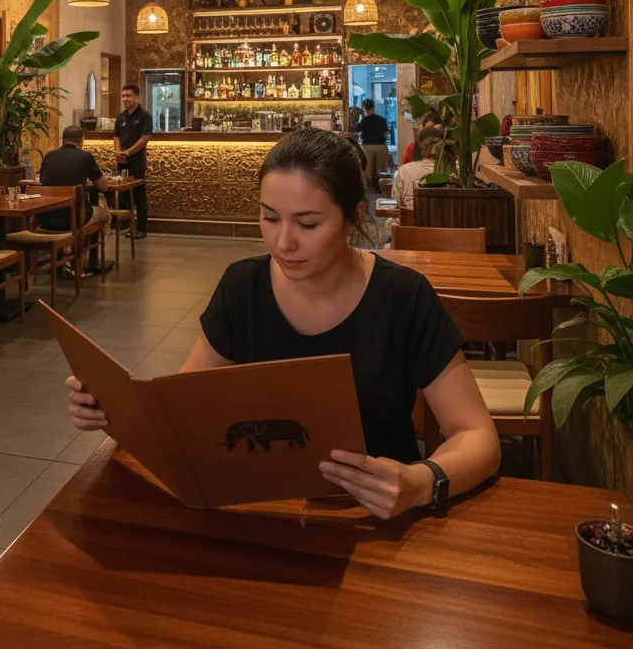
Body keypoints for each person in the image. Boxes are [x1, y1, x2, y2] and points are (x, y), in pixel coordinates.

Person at [66, 128, 501, 520]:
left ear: (354, 218)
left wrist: (420, 483)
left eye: (308, 224)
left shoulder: (402, 296)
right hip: (260, 513)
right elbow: (183, 406)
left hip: (373, 519)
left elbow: (478, 436)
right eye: (269, 218)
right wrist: (116, 410)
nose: (283, 242)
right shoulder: (243, 285)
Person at [39, 125, 111, 273]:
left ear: (63, 139)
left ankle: (64, 258)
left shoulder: (48, 156)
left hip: (45, 218)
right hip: (74, 219)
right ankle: (83, 261)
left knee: (75, 208)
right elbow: (103, 187)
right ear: (82, 140)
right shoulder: (85, 156)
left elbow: (42, 182)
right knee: (104, 213)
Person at [113, 84, 152, 239]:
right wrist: (119, 152)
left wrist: (128, 152)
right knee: (123, 194)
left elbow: (145, 138)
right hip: (122, 160)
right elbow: (116, 136)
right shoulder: (120, 117)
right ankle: (126, 226)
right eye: (123, 96)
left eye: (128, 96)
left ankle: (141, 228)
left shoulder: (144, 116)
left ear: (137, 97)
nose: (125, 99)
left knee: (138, 194)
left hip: (136, 161)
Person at [392, 126, 441, 210]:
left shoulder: (405, 170)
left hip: (411, 221)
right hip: (449, 221)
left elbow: (396, 202)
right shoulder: (457, 169)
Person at [352, 97, 390, 190]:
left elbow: (354, 129)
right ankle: (381, 188)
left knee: (368, 171)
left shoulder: (363, 121)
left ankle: (369, 189)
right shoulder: (382, 120)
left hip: (367, 147)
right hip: (380, 147)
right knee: (381, 171)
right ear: (373, 107)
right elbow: (386, 134)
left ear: (363, 108)